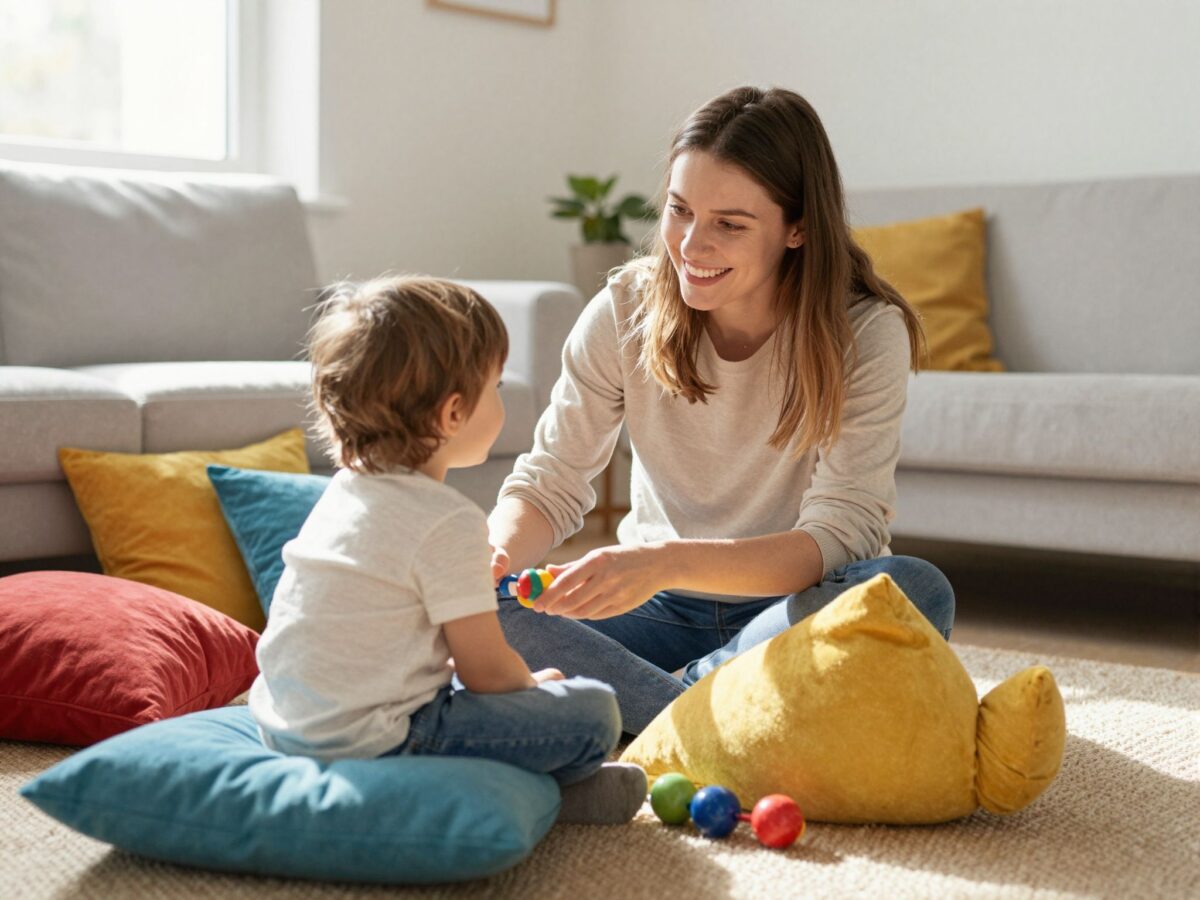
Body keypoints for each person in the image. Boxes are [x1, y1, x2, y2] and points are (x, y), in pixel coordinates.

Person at [488, 86, 956, 734]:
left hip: (788, 609)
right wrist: (490, 560)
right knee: (487, 610)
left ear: (798, 228)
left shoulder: (866, 333)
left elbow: (840, 535)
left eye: (729, 224)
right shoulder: (623, 311)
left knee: (912, 591)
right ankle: (721, 714)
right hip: (649, 610)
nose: (691, 245)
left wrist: (665, 560)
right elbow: (551, 481)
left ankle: (654, 712)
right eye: (680, 211)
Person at [248, 275, 645, 824]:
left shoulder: (343, 492)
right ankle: (548, 794)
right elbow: (486, 672)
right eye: (497, 386)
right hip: (379, 741)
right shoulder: (448, 521)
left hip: (282, 720)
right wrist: (532, 690)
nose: (502, 398)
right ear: (453, 414)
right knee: (595, 711)